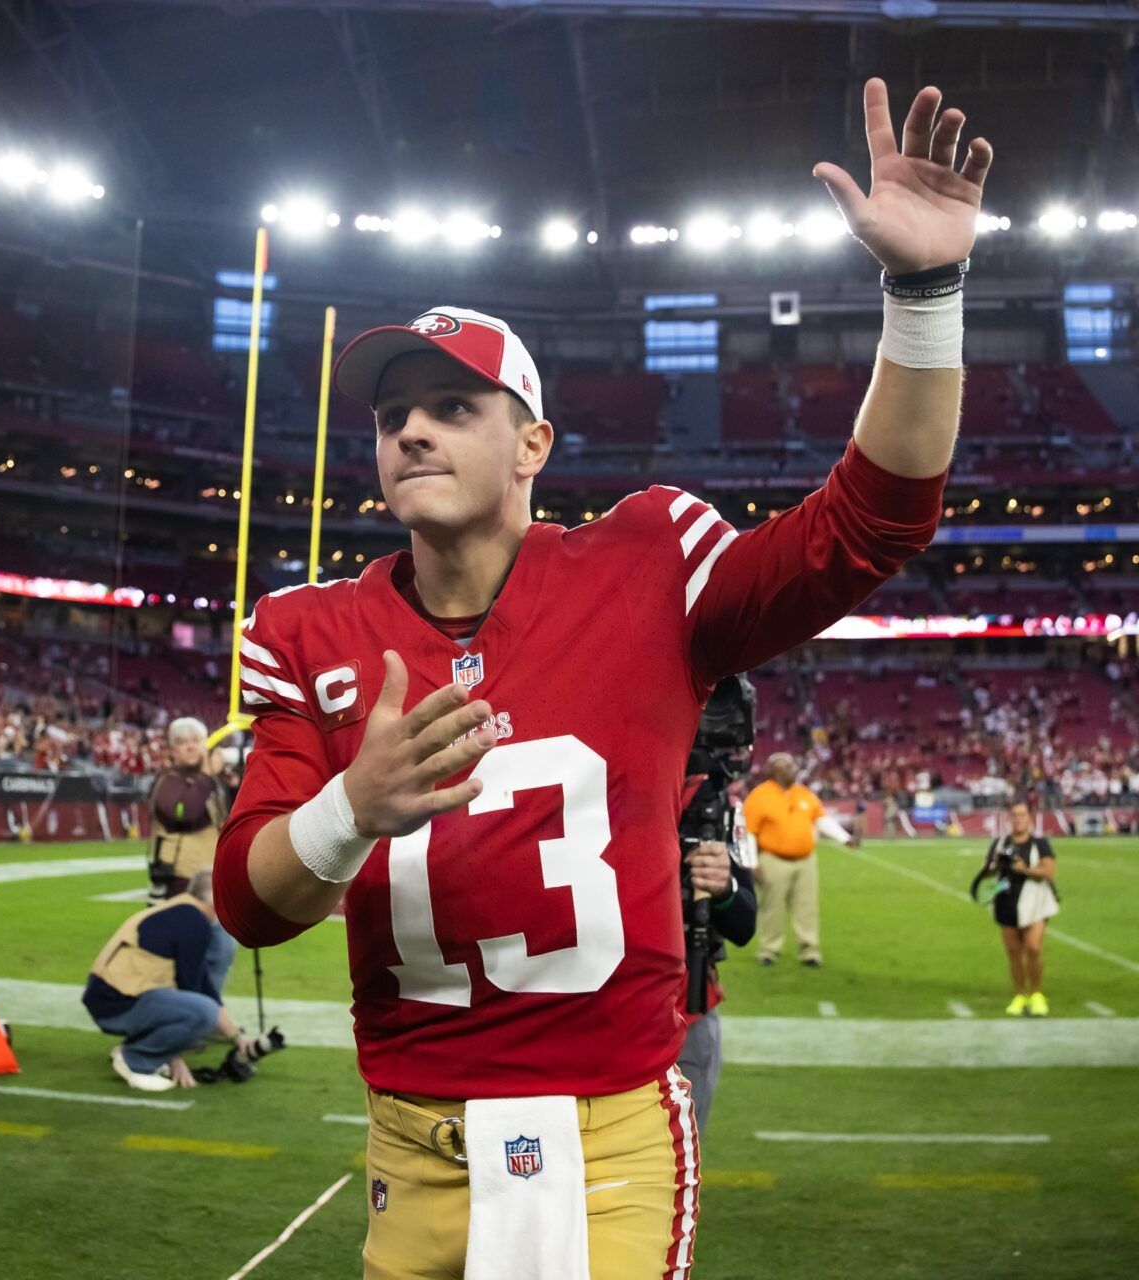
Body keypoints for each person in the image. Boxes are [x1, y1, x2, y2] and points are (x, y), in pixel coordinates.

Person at [214, 78, 990, 1278]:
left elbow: (869, 525)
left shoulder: (648, 564)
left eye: (453, 406)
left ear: (532, 445)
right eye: (393, 414)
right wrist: (347, 811)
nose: (411, 430)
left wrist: (926, 294)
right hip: (409, 1128)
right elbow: (252, 905)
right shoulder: (312, 630)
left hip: (609, 1122)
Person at [83, 870, 255, 1091]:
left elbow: (202, 982)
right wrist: (174, 1055)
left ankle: (142, 1051)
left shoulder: (181, 911)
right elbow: (192, 991)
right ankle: (135, 1059)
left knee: (202, 1008)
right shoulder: (194, 922)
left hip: (110, 997)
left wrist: (236, 1037)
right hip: (117, 1003)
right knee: (203, 1012)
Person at [743, 752, 856, 968]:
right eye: (786, 766)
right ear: (772, 771)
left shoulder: (804, 794)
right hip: (773, 858)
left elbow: (821, 818)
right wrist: (752, 862)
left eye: (793, 765)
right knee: (771, 906)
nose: (793, 769)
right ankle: (769, 949)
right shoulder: (759, 796)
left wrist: (845, 838)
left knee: (807, 906)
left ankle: (809, 950)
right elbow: (750, 832)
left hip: (805, 860)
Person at [675, 837, 756, 1135]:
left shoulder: (710, 808)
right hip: (594, 1012)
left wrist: (724, 889)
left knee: (676, 1162)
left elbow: (744, 925)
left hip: (685, 1007)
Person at [979, 799, 1057, 1016]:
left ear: (1029, 818)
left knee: (1033, 948)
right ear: (1008, 818)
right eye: (1015, 815)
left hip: (1034, 902)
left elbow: (1049, 872)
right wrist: (993, 865)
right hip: (1006, 900)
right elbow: (987, 871)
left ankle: (1037, 994)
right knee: (1013, 953)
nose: (1018, 819)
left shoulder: (1039, 844)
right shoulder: (999, 843)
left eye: (1022, 815)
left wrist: (1026, 869)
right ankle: (1020, 995)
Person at [146, 716, 231, 901]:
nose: (190, 747)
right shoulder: (168, 780)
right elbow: (183, 813)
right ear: (172, 751)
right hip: (180, 877)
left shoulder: (212, 781)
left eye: (196, 740)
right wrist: (207, 774)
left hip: (213, 873)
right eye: (182, 742)